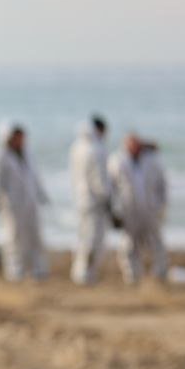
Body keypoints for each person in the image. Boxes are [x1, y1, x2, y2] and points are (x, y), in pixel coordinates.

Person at [0, 120, 49, 281]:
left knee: (35, 236)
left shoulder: (28, 153)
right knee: (13, 238)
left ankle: (38, 269)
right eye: (17, 137)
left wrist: (41, 193)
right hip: (11, 204)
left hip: (30, 201)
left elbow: (34, 176)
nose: (21, 140)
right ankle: (15, 271)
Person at [108, 134, 168, 284]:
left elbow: (162, 184)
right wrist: (114, 210)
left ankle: (160, 273)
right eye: (131, 144)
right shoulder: (117, 160)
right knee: (128, 244)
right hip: (129, 210)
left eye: (137, 144)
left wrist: (161, 205)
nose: (134, 148)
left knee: (156, 242)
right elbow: (111, 187)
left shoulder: (152, 160)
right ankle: (132, 276)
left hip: (150, 209)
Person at [69, 116, 113, 285]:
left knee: (83, 237)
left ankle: (79, 272)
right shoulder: (96, 149)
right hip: (95, 203)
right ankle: (87, 274)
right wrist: (108, 199)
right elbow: (99, 180)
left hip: (81, 200)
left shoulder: (77, 147)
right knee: (94, 240)